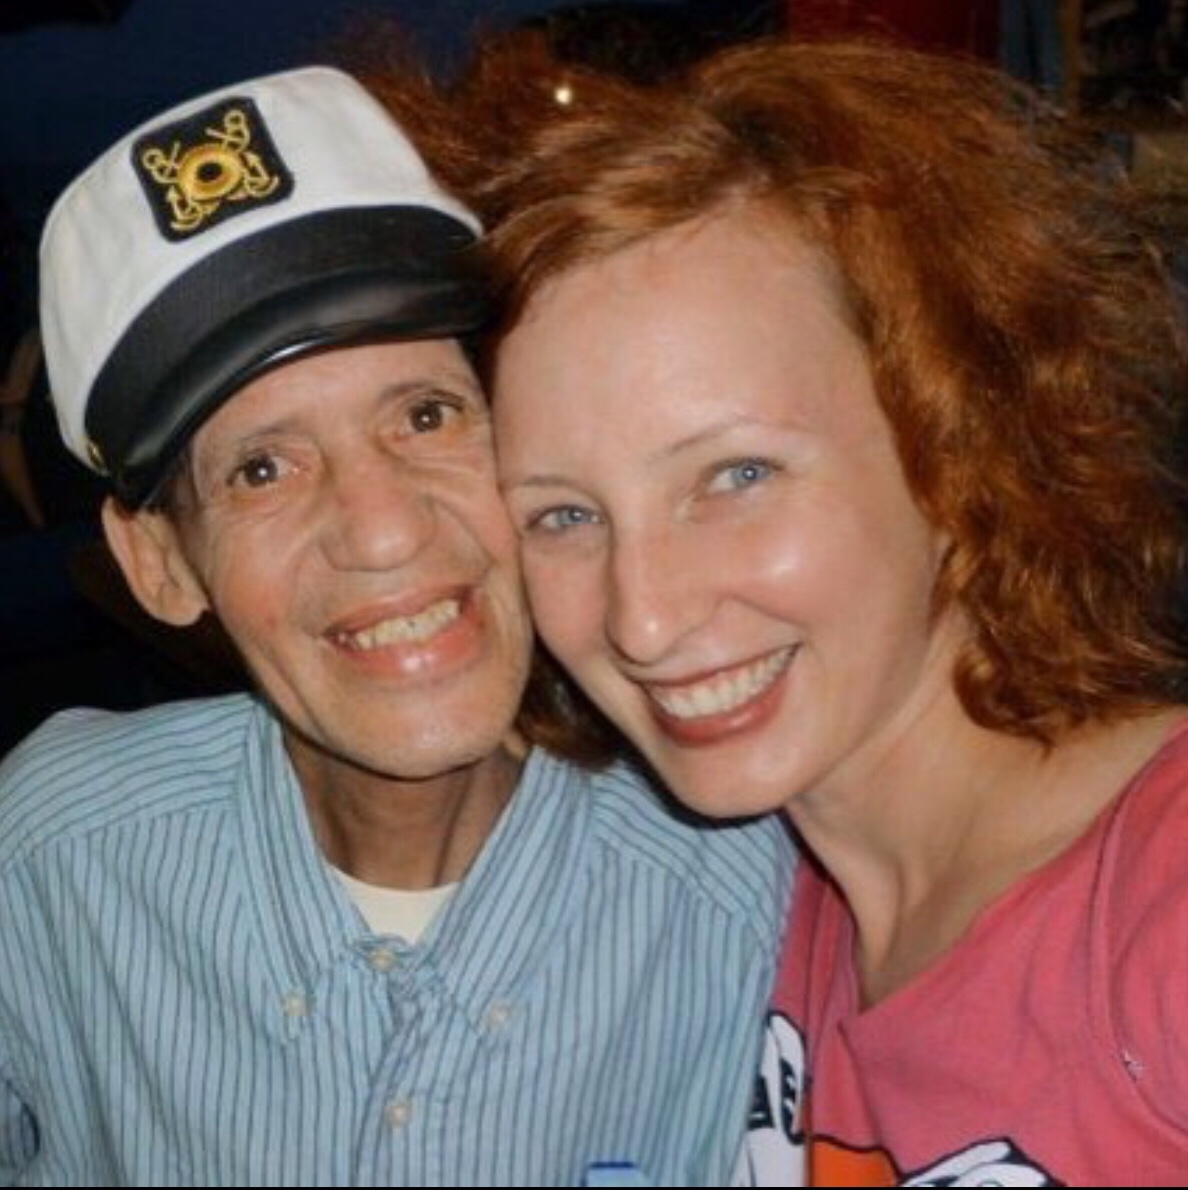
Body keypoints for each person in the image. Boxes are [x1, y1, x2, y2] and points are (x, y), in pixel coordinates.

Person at [0, 65, 794, 1187]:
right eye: (262, 468)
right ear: (161, 563)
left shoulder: (750, 879)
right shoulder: (54, 860)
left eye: (426, 414)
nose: (380, 531)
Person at [444, 34, 1188, 1185]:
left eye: (737, 474)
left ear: (956, 444)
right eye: (564, 514)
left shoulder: (1157, 909)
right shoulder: (764, 909)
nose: (644, 619)